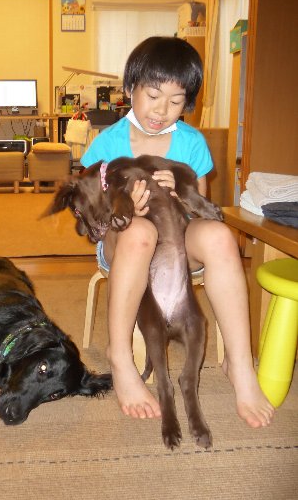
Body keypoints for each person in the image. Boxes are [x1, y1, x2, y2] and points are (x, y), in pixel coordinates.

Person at [80, 36, 274, 428]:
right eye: (153, 95)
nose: (161, 110)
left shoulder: (191, 142)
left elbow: (201, 210)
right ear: (130, 88)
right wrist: (124, 210)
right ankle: (120, 357)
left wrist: (179, 197)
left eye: (176, 101)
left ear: (188, 102)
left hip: (176, 241)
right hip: (124, 242)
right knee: (140, 233)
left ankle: (239, 363)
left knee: (220, 237)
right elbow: (90, 215)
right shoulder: (107, 142)